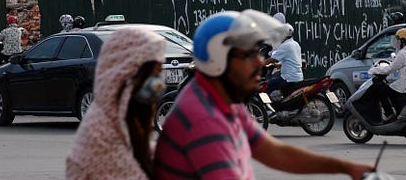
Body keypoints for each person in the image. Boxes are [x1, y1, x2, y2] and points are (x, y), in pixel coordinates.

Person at [154, 10, 372, 180]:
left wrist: (346, 167)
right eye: (248, 55)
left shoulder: (223, 101)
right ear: (221, 62)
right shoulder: (203, 118)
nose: (259, 62)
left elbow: (276, 153)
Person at [66, 26, 165, 180]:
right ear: (127, 74)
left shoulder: (124, 120)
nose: (159, 84)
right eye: (154, 74)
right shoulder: (101, 137)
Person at [367, 26, 406, 121]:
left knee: (381, 90)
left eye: (398, 40)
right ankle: (399, 113)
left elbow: (389, 70)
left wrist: (374, 70)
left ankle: (390, 114)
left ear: (402, 41)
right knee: (391, 90)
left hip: (405, 84)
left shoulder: (403, 53)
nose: (397, 42)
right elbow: (400, 63)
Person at [264, 23, 303, 100]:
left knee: (267, 86)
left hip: (288, 78)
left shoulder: (285, 45)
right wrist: (278, 65)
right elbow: (292, 61)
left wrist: (259, 63)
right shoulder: (295, 44)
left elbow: (272, 59)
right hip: (298, 77)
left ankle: (268, 109)